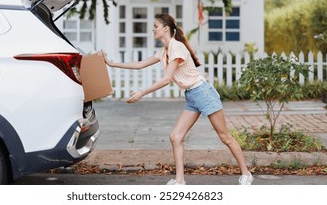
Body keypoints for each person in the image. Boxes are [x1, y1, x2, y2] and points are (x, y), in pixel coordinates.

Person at [103, 13, 253, 185]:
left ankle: (246, 174)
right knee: (175, 136)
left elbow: (167, 79)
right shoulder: (164, 51)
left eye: (156, 26)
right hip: (191, 96)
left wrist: (141, 93)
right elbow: (139, 65)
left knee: (225, 137)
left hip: (203, 93)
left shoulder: (177, 47)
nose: (153, 29)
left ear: (165, 28)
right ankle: (180, 181)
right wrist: (112, 64)